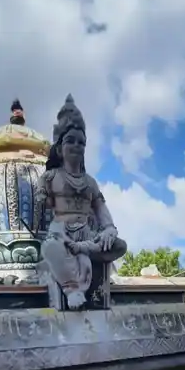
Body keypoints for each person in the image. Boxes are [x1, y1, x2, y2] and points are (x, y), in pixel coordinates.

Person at [37, 95, 127, 309]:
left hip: (88, 235)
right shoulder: (50, 177)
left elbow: (100, 207)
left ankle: (81, 251)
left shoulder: (90, 182)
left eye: (81, 142)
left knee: (119, 245)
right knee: (50, 248)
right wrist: (42, 199)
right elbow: (42, 205)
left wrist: (109, 229)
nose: (76, 146)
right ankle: (71, 289)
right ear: (59, 149)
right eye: (70, 141)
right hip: (61, 232)